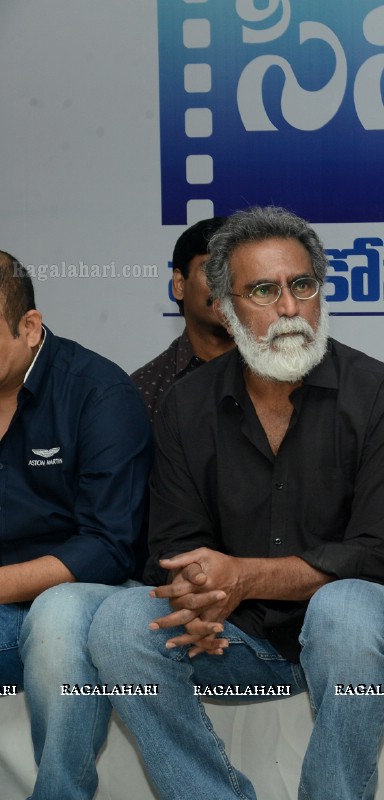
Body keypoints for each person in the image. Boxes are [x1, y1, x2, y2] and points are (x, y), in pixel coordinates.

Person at [89, 206, 384, 799]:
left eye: (302, 286)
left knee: (344, 611)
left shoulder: (382, 395)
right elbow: (173, 546)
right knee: (119, 622)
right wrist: (204, 596)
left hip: (350, 644)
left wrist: (243, 576)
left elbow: (380, 556)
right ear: (223, 305)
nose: (290, 308)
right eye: (264, 291)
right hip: (230, 639)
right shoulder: (187, 404)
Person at [0, 250, 153, 799]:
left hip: (83, 592)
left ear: (30, 326)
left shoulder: (98, 393)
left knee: (58, 620)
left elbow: (108, 547)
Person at [131, 216, 234, 419]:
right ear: (179, 284)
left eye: (237, 271)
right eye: (213, 269)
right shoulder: (143, 390)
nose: (226, 283)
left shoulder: (284, 373)